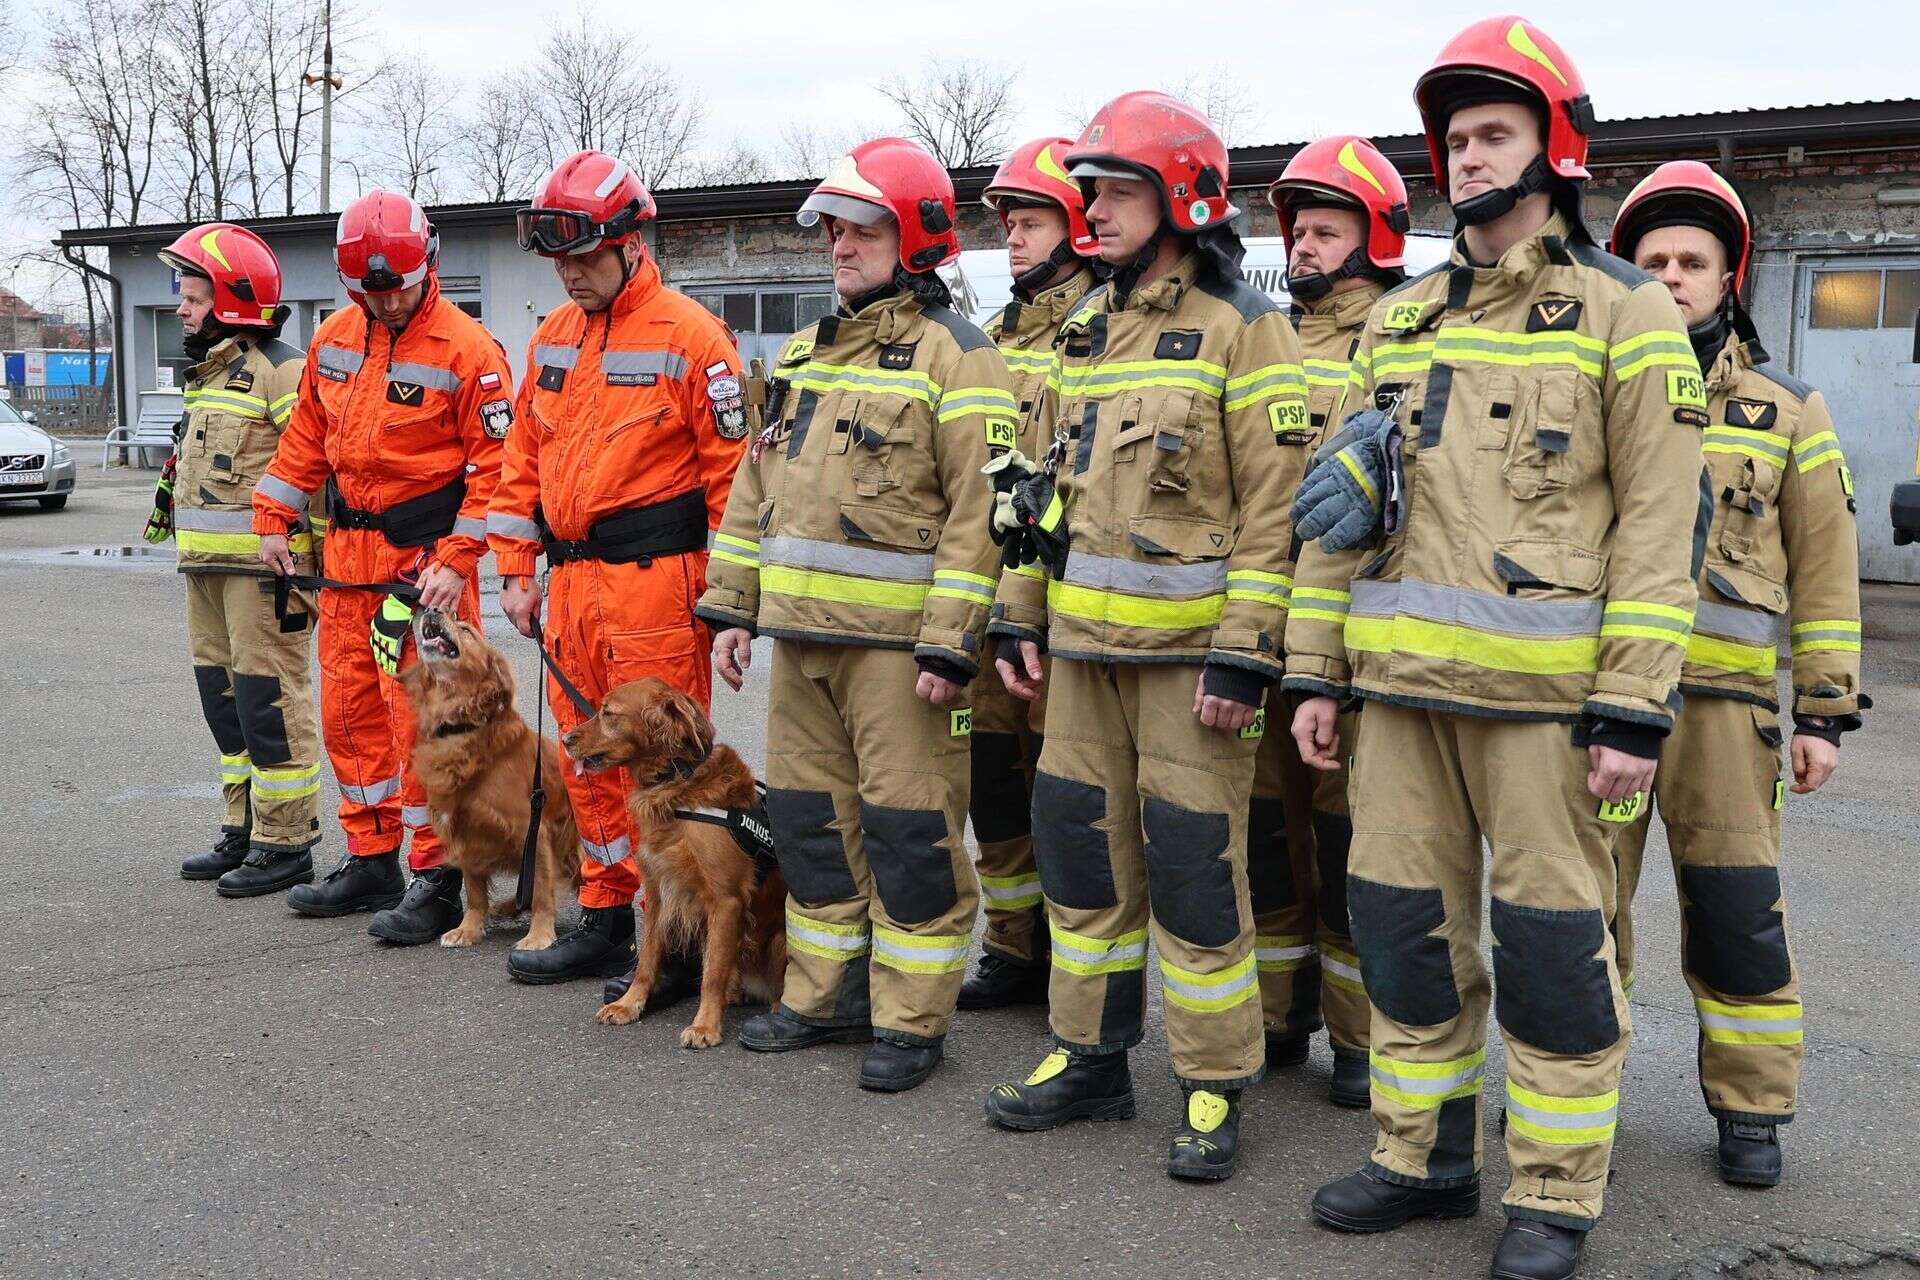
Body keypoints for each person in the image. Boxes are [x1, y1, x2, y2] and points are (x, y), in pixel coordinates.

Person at [1286, 18, 1708, 1277]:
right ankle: (1421, 1157)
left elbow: (1657, 531)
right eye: (1457, 139)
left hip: (1547, 713)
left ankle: (1556, 1190)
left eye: (1495, 135)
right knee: (1407, 934)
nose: (1470, 158)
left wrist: (1636, 708)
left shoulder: (1629, 315)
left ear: (1554, 147)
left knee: (1550, 954)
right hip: (1400, 698)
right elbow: (1331, 520)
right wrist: (1314, 667)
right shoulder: (1399, 320)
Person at [979, 91, 1308, 1182]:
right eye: (1090, 192)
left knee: (1197, 875)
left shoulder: (1243, 327)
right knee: (1083, 864)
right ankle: (1088, 1055)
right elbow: (1028, 490)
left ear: (1183, 198)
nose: (1094, 213)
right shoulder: (1082, 330)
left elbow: (1278, 507)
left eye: (1116, 192)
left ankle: (1214, 1078)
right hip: (1078, 662)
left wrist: (1244, 650)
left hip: (1190, 673)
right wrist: (1016, 615)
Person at [695, 136, 1011, 1093]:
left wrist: (951, 646)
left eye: (861, 227)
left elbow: (984, 514)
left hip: (900, 657)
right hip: (804, 646)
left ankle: (912, 1020)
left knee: (910, 834)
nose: (839, 244)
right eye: (833, 228)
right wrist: (734, 608)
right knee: (810, 827)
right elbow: (756, 489)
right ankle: (822, 996)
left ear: (913, 234)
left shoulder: (962, 359)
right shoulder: (801, 355)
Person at [1609, 160, 1865, 1188]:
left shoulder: (1788, 407)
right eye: (1653, 259)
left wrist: (1825, 713)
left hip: (1726, 718)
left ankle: (1751, 1108)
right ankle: (1577, 1106)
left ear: (1729, 277)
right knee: (1584, 911)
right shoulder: (1592, 388)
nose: (1672, 275)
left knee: (1735, 912)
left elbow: (1829, 569)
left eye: (1691, 260)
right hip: (1608, 709)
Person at [489, 149, 749, 993]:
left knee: (670, 771)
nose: (570, 273)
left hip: (657, 588)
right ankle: (607, 914)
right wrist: (516, 569)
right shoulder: (554, 338)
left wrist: (730, 603)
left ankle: (674, 944)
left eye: (585, 255)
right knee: (586, 756)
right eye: (559, 259)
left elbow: (732, 483)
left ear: (631, 244)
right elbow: (520, 460)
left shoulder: (692, 338)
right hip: (574, 587)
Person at [254, 189, 511, 945]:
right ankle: (371, 856)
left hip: (421, 565)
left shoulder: (469, 351)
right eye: (371, 290)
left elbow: (497, 468)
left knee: (427, 724)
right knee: (349, 713)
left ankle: (437, 873)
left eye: (397, 285)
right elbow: (304, 437)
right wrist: (274, 515)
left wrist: (459, 559)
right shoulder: (336, 338)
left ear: (428, 263)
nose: (388, 300)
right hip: (347, 561)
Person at [1252, 135, 1409, 1104]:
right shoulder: (1263, 340)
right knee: (1269, 842)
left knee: (1356, 854)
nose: (1304, 247)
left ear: (1375, 236)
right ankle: (1278, 1017)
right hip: (1261, 641)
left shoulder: (1396, 340)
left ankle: (1359, 1040)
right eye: (1298, 231)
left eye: (1326, 230)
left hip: (1356, 652)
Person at [957, 136, 1102, 1011]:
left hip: (1053, 599)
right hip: (979, 597)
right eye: (1007, 221)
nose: (1012, 237)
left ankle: (1073, 966)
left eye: (1031, 220)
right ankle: (1014, 949)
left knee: (1062, 798)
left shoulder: (1107, 328)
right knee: (993, 789)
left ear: (1077, 226)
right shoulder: (991, 336)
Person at [154, 223, 322, 897]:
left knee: (270, 705)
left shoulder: (282, 369)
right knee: (224, 706)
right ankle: (246, 829)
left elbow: (317, 468)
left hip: (267, 579)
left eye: (192, 299)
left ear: (229, 303)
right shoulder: (208, 376)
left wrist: (317, 565)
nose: (181, 311)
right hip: (206, 572)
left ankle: (287, 842)